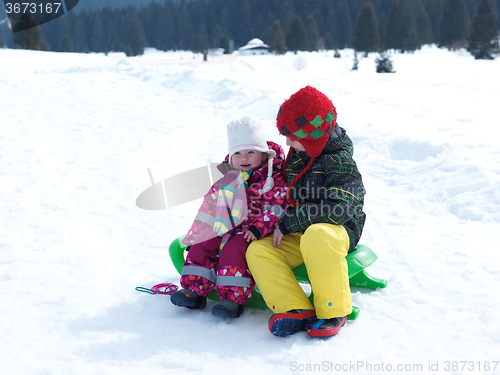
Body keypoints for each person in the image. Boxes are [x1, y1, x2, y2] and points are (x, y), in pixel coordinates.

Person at [246, 86, 366, 337]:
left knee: (318, 235)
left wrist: (291, 221)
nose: (287, 143)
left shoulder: (340, 161)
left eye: (291, 137)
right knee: (259, 250)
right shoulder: (301, 153)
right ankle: (295, 307)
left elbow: (341, 207)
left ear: (312, 136)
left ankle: (333, 309)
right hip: (301, 230)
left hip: (335, 232)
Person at [171, 116, 288, 318]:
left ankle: (232, 298)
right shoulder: (227, 179)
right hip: (224, 226)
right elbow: (209, 207)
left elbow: (278, 207)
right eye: (238, 154)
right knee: (202, 244)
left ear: (262, 154)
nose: (244, 158)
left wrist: (258, 227)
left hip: (252, 232)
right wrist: (197, 233)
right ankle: (194, 290)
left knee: (234, 250)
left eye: (251, 152)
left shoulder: (272, 178)